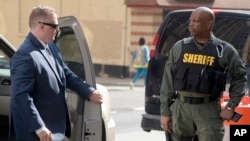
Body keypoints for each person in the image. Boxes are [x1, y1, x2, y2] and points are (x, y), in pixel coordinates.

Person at [10, 5, 103, 141]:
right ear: (41, 26)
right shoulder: (25, 55)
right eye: (54, 26)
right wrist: (39, 127)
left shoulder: (51, 47)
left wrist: (88, 91)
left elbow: (65, 73)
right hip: (36, 134)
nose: (58, 30)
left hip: (54, 129)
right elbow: (21, 96)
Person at [160, 7, 247, 141]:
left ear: (208, 24)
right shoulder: (179, 47)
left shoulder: (224, 50)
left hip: (208, 109)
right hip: (181, 109)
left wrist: (231, 106)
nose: (191, 24)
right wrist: (165, 112)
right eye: (190, 20)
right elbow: (167, 81)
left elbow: (240, 77)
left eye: (196, 21)